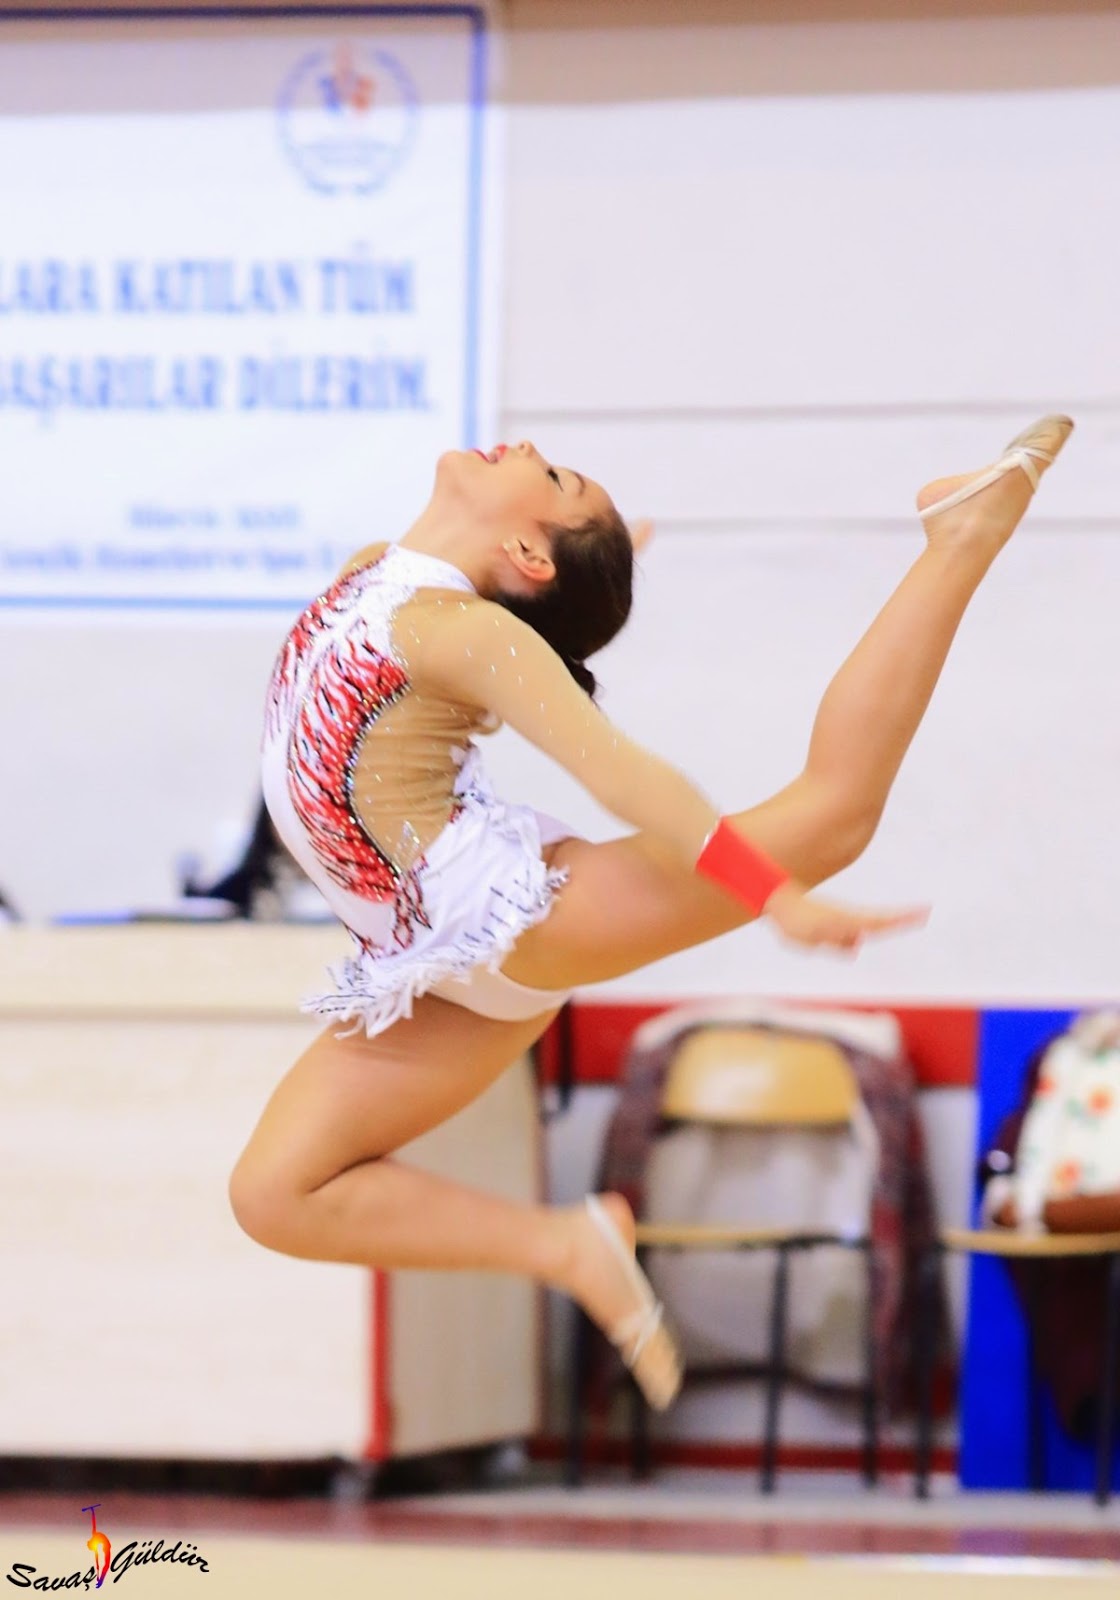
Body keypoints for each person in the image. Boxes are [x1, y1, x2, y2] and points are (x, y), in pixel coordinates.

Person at [228, 416, 1074, 1411]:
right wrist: (589, 579)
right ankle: (566, 1246)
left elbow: (623, 775)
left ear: (527, 548)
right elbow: (511, 631)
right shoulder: (385, 577)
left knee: (831, 816)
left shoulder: (466, 633)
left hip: (520, 919)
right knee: (274, 1194)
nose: (527, 447)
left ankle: (959, 539)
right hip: (425, 966)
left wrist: (771, 895)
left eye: (554, 474)